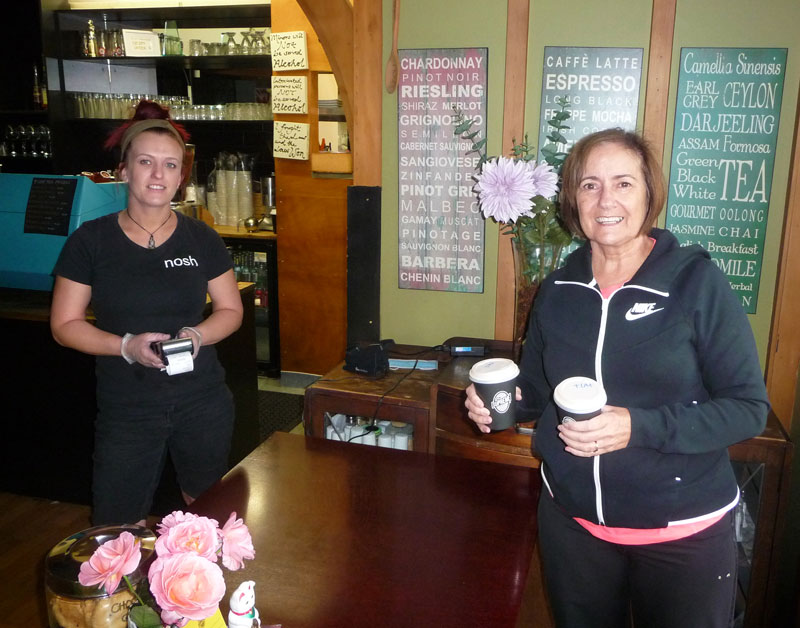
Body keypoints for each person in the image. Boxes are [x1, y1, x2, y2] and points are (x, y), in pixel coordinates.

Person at [465, 128, 769, 628]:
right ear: (573, 199)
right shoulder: (559, 289)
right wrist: (501, 404)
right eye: (589, 185)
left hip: (682, 535)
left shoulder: (696, 282)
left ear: (649, 194)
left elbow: (747, 408)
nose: (606, 199)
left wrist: (639, 427)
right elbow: (539, 393)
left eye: (623, 183)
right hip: (573, 527)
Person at [51, 100, 243, 526]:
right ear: (124, 171)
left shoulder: (202, 239)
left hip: (202, 402)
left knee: (206, 515)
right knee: (119, 524)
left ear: (180, 177)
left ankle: (199, 591)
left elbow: (231, 309)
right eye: (146, 162)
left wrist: (197, 335)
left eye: (170, 165)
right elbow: (64, 326)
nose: (158, 175)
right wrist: (126, 346)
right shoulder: (90, 242)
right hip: (127, 407)